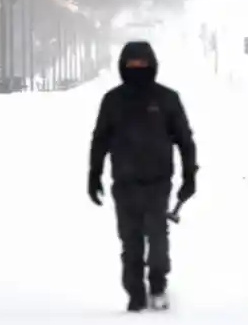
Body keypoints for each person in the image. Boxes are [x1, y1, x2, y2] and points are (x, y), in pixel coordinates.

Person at [89, 40, 198, 312]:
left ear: (152, 65)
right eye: (132, 64)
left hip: (157, 183)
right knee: (131, 243)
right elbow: (100, 139)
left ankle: (158, 284)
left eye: (142, 64)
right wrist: (94, 174)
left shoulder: (167, 99)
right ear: (123, 66)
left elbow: (185, 140)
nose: (137, 69)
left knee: (158, 239)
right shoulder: (113, 101)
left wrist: (189, 175)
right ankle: (135, 293)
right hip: (124, 184)